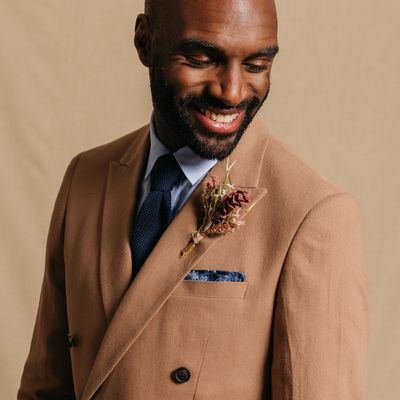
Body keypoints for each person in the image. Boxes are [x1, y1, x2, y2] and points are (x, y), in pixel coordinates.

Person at [18, 0, 369, 399]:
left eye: (256, 65)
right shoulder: (85, 178)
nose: (232, 92)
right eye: (202, 59)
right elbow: (45, 385)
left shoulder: (314, 215)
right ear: (145, 42)